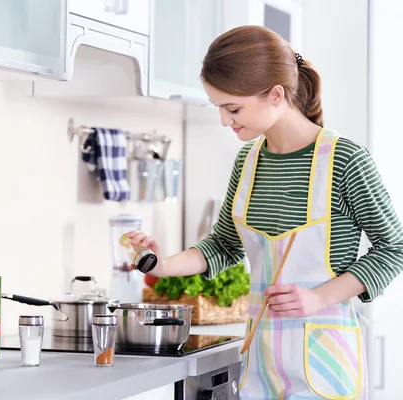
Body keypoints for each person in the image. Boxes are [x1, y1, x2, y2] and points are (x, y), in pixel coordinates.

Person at [128, 25, 403, 400]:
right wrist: (161, 264)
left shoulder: (344, 160)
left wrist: (319, 297)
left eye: (233, 108)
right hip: (260, 366)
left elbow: (394, 248)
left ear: (276, 95)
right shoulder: (249, 160)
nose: (225, 120)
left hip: (325, 366)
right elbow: (224, 245)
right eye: (219, 108)